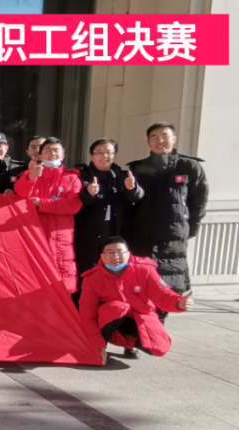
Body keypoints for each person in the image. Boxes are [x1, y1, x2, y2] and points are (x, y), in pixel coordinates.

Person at [124, 122, 209, 320]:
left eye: (164, 136)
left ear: (174, 139)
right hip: (141, 237)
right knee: (139, 289)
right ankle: (139, 333)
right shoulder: (137, 168)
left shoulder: (189, 167)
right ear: (148, 142)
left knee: (167, 288)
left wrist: (191, 228)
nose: (159, 141)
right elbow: (128, 204)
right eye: (154, 137)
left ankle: (157, 328)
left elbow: (199, 201)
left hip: (172, 239)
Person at [79, 237, 192, 358]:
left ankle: (129, 344)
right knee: (118, 308)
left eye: (120, 252)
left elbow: (162, 293)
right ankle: (102, 346)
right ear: (102, 256)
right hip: (110, 320)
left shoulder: (145, 269)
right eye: (110, 252)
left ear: (128, 254)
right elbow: (87, 316)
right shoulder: (92, 278)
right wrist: (97, 347)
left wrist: (178, 302)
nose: (115, 256)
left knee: (160, 347)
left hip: (139, 316)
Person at [14, 137, 83, 294]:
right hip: (34, 233)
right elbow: (21, 194)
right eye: (47, 150)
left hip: (61, 235)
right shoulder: (30, 175)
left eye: (56, 150)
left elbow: (73, 205)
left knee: (63, 280)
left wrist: (41, 204)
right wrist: (31, 177)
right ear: (40, 155)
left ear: (63, 155)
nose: (52, 153)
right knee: (32, 281)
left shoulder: (72, 178)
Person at [74, 138, 128, 292]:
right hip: (87, 230)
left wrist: (133, 189)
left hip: (114, 228)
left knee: (111, 267)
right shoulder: (82, 175)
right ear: (92, 156)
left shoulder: (122, 175)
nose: (105, 156)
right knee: (86, 267)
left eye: (109, 152)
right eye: (99, 152)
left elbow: (135, 197)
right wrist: (89, 192)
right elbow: (81, 198)